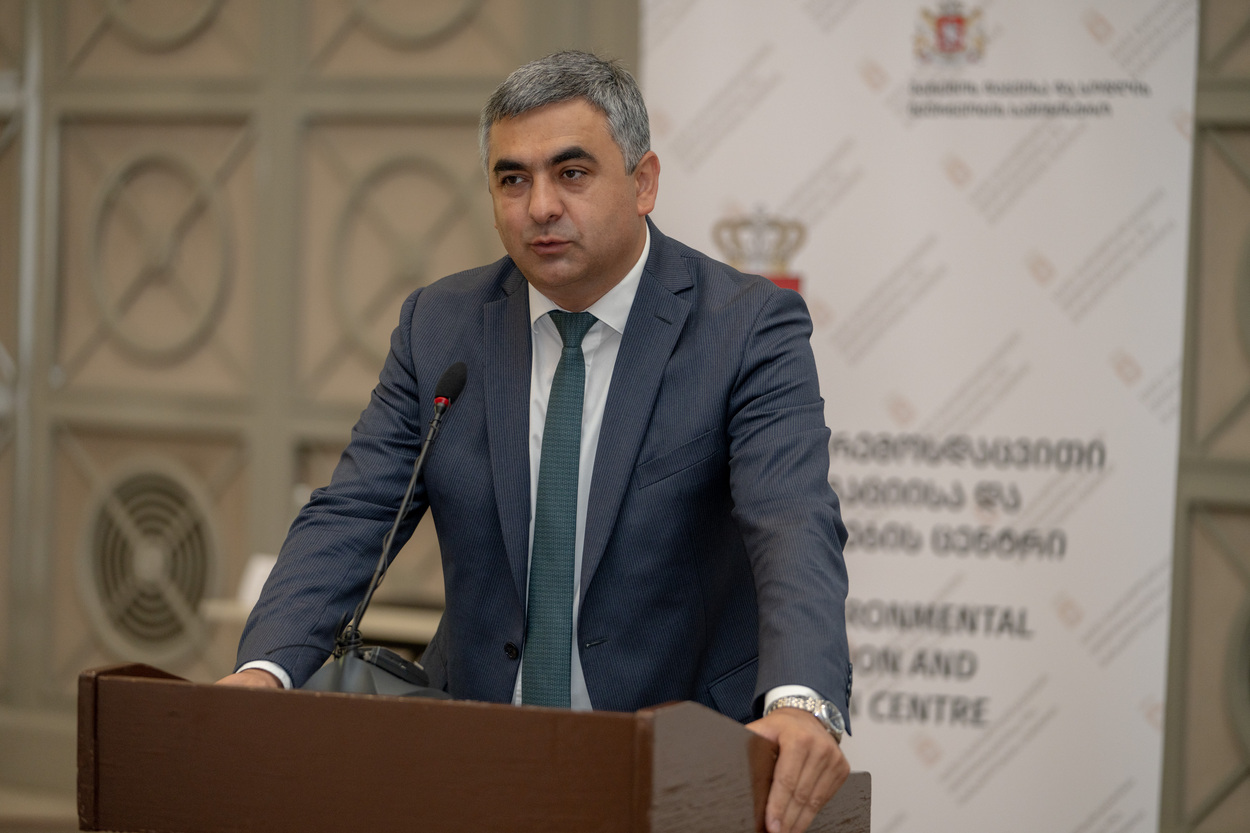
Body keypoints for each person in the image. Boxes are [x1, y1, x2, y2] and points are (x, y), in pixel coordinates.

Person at [218, 51, 851, 833]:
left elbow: (792, 518)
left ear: (644, 182)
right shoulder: (439, 325)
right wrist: (265, 671)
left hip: (680, 765)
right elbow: (355, 511)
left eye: (572, 173)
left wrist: (800, 701)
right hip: (475, 763)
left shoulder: (745, 327)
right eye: (512, 179)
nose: (540, 206)